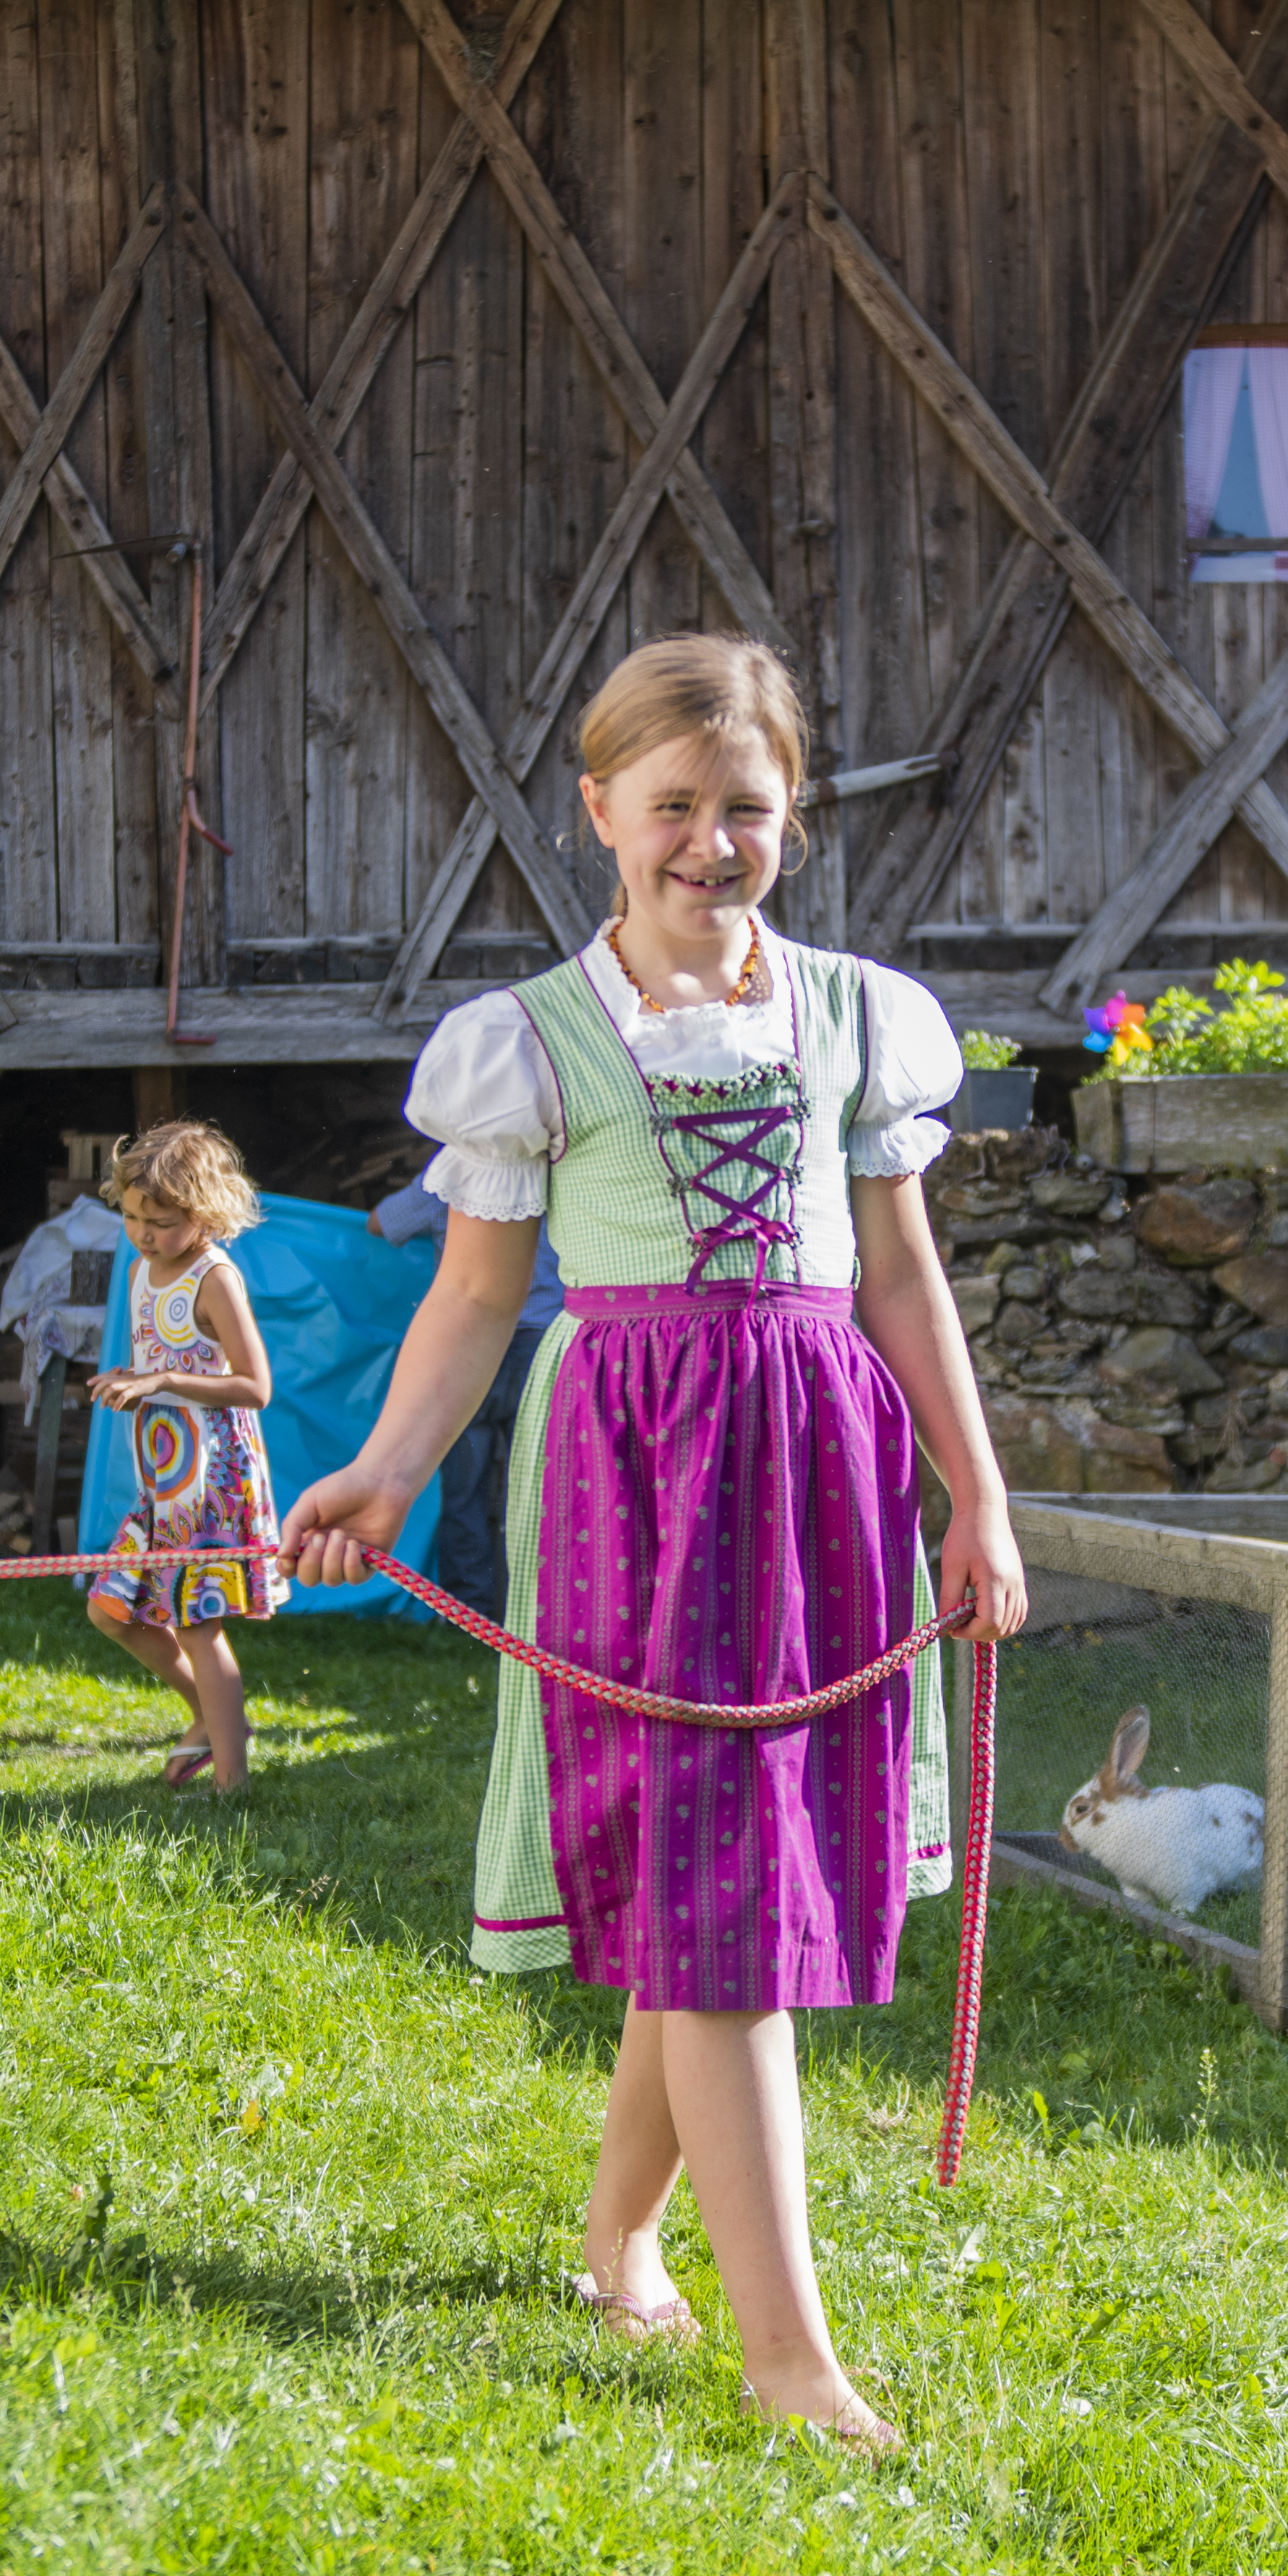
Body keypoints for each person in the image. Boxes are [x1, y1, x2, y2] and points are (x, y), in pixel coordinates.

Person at [281, 635, 1026, 2462]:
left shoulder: (857, 1018)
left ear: (793, 818)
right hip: (633, 1473)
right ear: (602, 808)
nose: (710, 840)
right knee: (722, 1919)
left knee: (735, 1891)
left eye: (745, 808)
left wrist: (979, 1493)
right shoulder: (531, 1043)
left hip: (821, 1466)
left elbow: (906, 1278)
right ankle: (789, 2355)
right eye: (673, 806)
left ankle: (618, 2236)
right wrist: (384, 1468)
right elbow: (476, 1296)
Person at [85, 1120, 285, 1794]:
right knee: (110, 1610)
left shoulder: (213, 1277)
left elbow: (254, 1386)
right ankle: (210, 1712)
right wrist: (131, 1378)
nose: (143, 1232)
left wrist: (161, 1382)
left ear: (203, 1212)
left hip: (214, 1481)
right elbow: (164, 1358)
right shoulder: (144, 1269)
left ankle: (233, 1790)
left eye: (161, 1220)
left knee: (198, 1625)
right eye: (133, 1216)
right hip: (166, 1480)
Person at [364, 1181, 560, 1623]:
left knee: (465, 1487)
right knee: (538, 1490)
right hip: (545, 1346)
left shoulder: (451, 1179)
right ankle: (534, 1612)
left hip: (471, 1349)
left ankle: (469, 1613)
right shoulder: (553, 1175)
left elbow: (378, 1224)